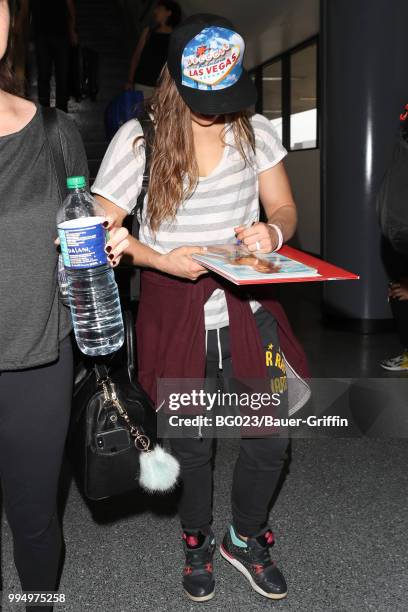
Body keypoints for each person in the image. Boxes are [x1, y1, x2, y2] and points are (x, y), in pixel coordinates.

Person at [92, 13, 310, 603]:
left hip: (250, 311)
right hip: (175, 313)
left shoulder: (254, 131)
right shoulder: (140, 137)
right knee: (191, 446)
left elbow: (286, 210)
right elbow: (96, 235)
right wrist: (154, 257)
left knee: (271, 436)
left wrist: (273, 233)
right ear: (175, 81)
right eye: (202, 98)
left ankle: (245, 536)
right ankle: (197, 541)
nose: (215, 109)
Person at [0, 2, 128, 607]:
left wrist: (104, 249)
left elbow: (79, 244)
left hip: (36, 364)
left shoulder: (55, 133)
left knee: (34, 520)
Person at [16, 0, 78, 112]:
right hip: (42, 36)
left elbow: (70, 5)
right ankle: (44, 110)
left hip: (61, 35)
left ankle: (62, 110)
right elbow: (25, 9)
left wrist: (72, 29)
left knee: (62, 75)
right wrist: (18, 26)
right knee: (44, 74)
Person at [125, 0, 181, 98]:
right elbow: (136, 56)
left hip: (163, 87)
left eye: (159, 9)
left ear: (168, 13)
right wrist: (130, 80)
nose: (155, 11)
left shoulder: (176, 37)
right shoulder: (148, 32)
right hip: (143, 82)